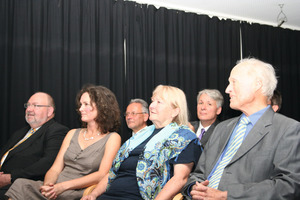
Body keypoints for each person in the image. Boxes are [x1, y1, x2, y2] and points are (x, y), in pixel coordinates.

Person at [182, 58, 300, 200]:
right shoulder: (222, 128)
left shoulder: (288, 129)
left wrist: (227, 196)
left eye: (234, 82)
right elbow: (198, 173)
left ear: (257, 84)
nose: (227, 89)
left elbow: (288, 185)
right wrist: (194, 188)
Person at [82, 85, 202, 200]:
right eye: (152, 101)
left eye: (159, 102)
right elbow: (114, 171)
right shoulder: (140, 135)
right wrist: (94, 194)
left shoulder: (184, 137)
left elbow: (180, 179)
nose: (151, 106)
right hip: (110, 195)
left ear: (175, 111)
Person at [5, 85, 122, 200]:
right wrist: (48, 187)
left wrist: (63, 187)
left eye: (86, 104)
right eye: (80, 104)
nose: (80, 109)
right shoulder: (72, 133)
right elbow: (55, 168)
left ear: (102, 107)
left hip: (76, 191)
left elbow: (102, 175)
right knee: (21, 184)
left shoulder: (112, 138)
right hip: (54, 188)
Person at [0, 92, 69, 199]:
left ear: (49, 111)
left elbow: (47, 163)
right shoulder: (20, 132)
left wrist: (10, 177)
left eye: (35, 106)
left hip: (18, 187)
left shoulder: (57, 131)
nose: (29, 109)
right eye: (28, 105)